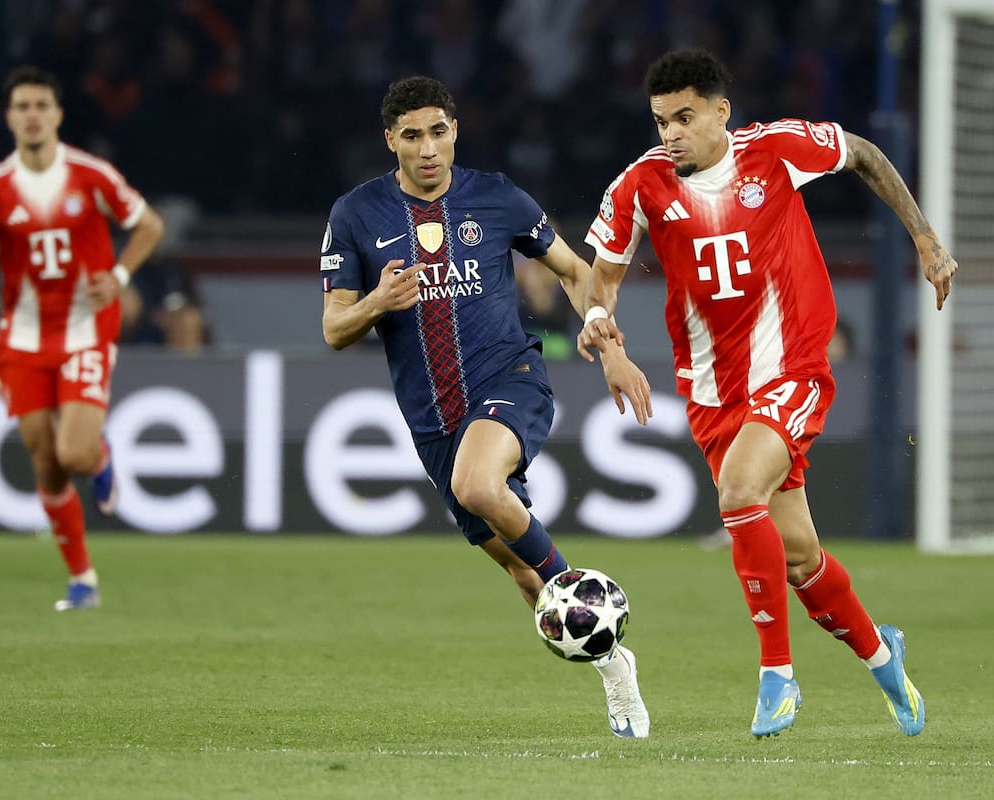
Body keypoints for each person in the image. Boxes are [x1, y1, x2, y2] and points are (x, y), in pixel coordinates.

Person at [578, 49, 957, 738]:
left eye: (685, 118)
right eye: (662, 121)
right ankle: (883, 656)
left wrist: (925, 239)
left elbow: (866, 154)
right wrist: (603, 334)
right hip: (711, 393)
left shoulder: (777, 150)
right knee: (800, 557)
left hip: (793, 369)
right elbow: (598, 285)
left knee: (738, 494)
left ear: (722, 113)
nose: (671, 134)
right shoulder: (640, 186)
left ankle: (777, 676)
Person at [320, 76, 652, 738]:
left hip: (511, 375)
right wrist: (376, 305)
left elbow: (574, 269)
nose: (427, 148)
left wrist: (605, 338)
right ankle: (616, 666)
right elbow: (334, 329)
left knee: (482, 488)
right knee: (527, 583)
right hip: (432, 419)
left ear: (455, 131)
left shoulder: (496, 196)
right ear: (391, 140)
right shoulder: (356, 214)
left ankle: (578, 588)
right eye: (411, 135)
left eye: (438, 131)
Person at [0, 66, 164, 611]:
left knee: (74, 451)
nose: (33, 114)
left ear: (58, 115)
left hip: (86, 329)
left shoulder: (90, 176)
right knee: (44, 462)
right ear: (9, 117)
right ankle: (82, 580)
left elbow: (149, 226)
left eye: (42, 104)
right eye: (22, 106)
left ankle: (100, 453)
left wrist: (118, 276)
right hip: (21, 339)